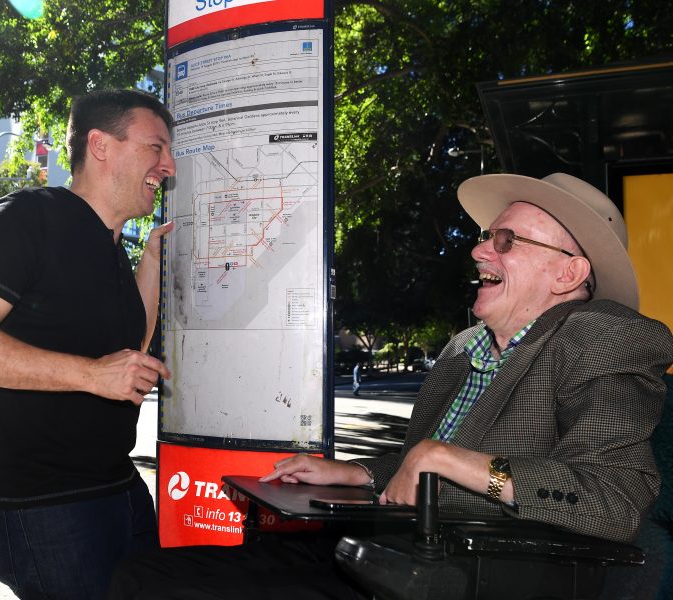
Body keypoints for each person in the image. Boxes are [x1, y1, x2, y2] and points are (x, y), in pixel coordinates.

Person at [108, 172, 673, 599]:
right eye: (485, 236)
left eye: (507, 240)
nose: (480, 250)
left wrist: (444, 458)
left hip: (462, 577)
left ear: (568, 274)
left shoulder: (600, 334)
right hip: (386, 553)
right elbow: (416, 467)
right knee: (143, 572)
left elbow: (613, 499)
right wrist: (360, 471)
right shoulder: (463, 349)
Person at [0, 89, 176, 600]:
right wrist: (89, 375)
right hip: (44, 505)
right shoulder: (28, 216)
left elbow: (131, 346)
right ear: (101, 146)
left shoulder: (112, 246)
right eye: (156, 147)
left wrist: (151, 259)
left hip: (118, 487)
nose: (168, 166)